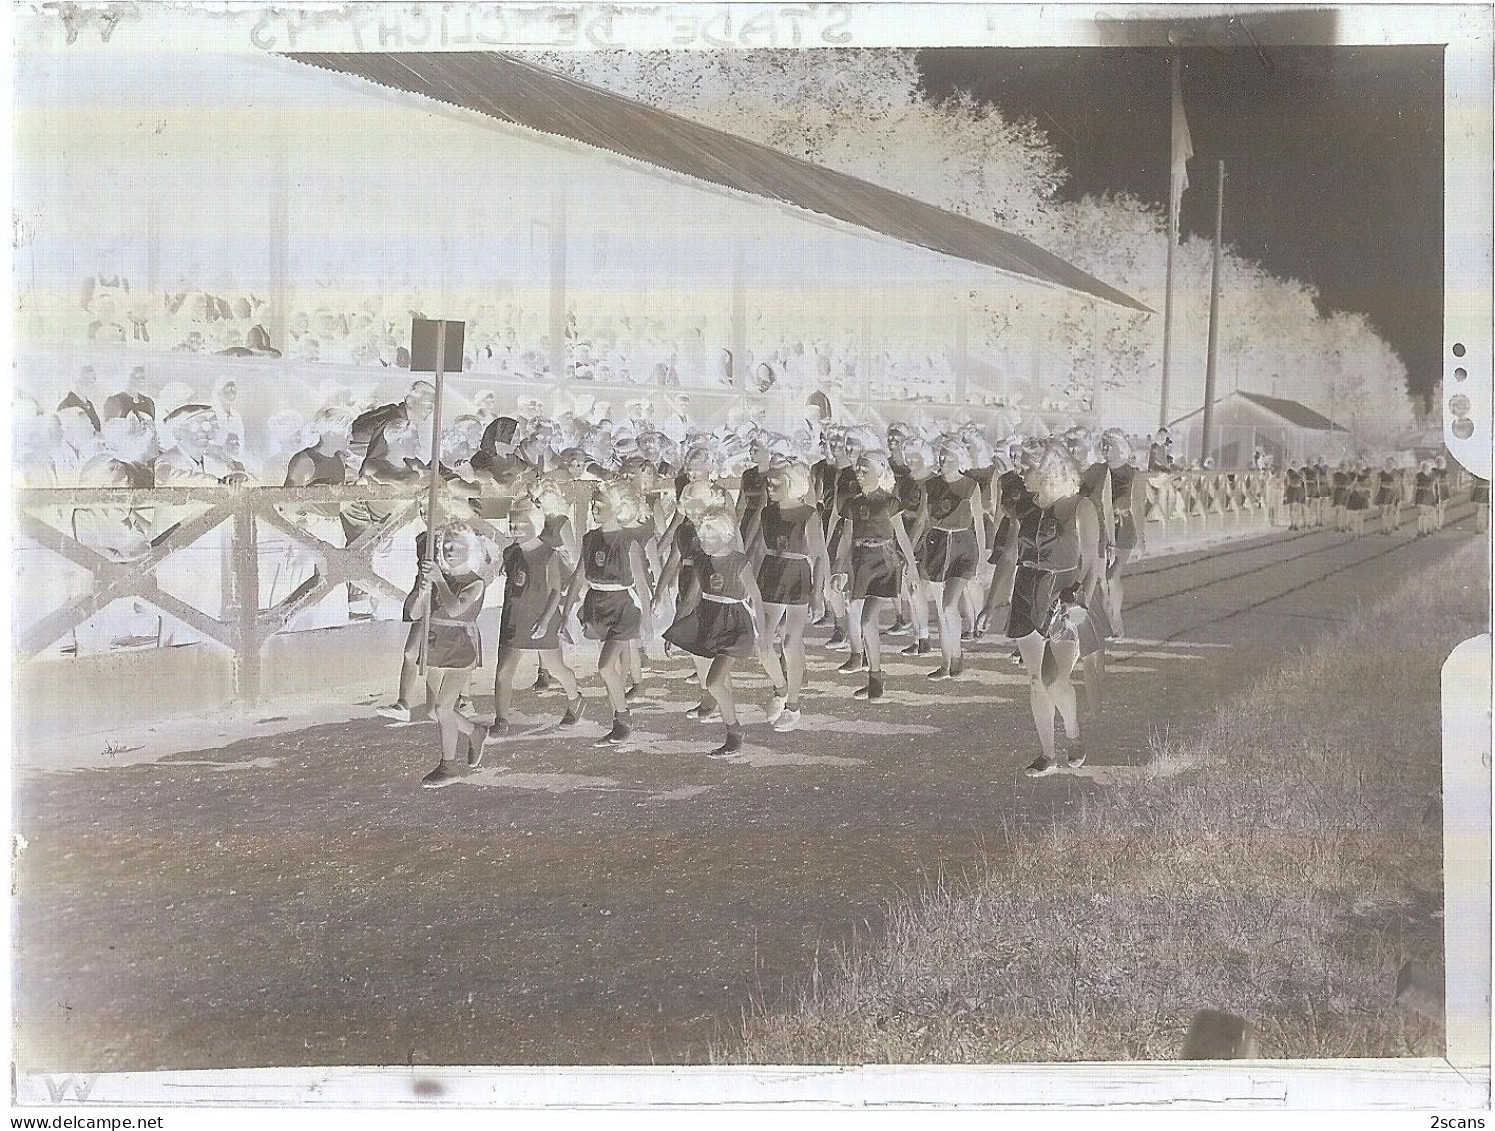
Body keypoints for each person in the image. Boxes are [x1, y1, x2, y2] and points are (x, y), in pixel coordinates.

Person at [982, 439, 1105, 777]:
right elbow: (1009, 556)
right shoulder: (1023, 506)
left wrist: (1080, 601)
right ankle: (1047, 754)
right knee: (1037, 681)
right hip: (1026, 593)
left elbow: (1091, 564)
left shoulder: (1081, 507)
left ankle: (1074, 733)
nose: (1020, 474)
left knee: (1054, 678)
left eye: (1027, 468)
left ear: (1048, 470)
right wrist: (990, 602)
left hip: (1064, 597)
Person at [659, 509, 765, 757]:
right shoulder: (700, 561)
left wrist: (765, 636)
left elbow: (757, 599)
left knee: (714, 682)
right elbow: (690, 599)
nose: (703, 543)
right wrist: (674, 631)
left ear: (725, 537)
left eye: (709, 538)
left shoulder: (740, 562)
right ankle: (732, 733)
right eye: (701, 538)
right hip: (709, 622)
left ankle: (735, 730)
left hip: (734, 625)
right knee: (721, 682)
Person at [562, 479, 654, 747]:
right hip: (597, 604)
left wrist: (647, 619)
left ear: (618, 508)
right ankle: (619, 717)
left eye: (600, 506)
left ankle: (623, 718)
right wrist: (566, 611)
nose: (594, 509)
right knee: (611, 668)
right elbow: (579, 575)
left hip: (623, 607)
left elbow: (641, 583)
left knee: (604, 666)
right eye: (593, 505)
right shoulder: (590, 539)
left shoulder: (629, 542)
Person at [488, 498, 586, 745]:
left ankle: (575, 698)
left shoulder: (548, 554)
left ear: (535, 523)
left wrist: (544, 621)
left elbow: (555, 591)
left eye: (521, 525)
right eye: (511, 526)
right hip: (513, 618)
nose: (515, 531)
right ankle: (501, 719)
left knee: (555, 667)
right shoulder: (510, 553)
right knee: (503, 671)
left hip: (542, 617)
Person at [828, 450, 921, 702]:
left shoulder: (890, 502)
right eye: (857, 468)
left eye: (864, 468)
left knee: (867, 620)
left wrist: (911, 567)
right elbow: (846, 539)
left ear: (880, 471)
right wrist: (838, 569)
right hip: (860, 563)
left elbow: (901, 536)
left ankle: (875, 678)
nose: (859, 472)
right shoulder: (852, 503)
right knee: (859, 616)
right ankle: (872, 674)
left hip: (884, 562)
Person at [407, 524, 494, 789]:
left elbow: (456, 609)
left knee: (444, 707)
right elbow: (413, 614)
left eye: (456, 546)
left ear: (471, 549)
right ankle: (475, 732)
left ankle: (448, 766)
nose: (450, 550)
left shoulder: (474, 582)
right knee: (434, 711)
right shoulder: (436, 578)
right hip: (435, 642)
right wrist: (422, 591)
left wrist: (439, 581)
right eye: (446, 546)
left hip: (460, 645)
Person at [748, 460, 831, 733]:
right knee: (762, 644)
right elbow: (759, 551)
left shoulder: (809, 514)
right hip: (770, 576)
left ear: (792, 484)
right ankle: (781, 689)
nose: (770, 488)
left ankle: (793, 706)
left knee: (790, 641)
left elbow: (819, 556)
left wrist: (819, 594)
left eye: (776, 484)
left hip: (797, 577)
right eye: (768, 483)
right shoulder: (767, 514)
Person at [919, 436, 985, 680]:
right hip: (936, 547)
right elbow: (924, 521)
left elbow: (978, 523)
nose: (943, 459)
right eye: (941, 455)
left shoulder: (970, 485)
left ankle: (957, 655)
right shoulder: (931, 485)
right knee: (941, 609)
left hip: (963, 548)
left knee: (949, 606)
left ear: (960, 458)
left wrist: (981, 560)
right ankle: (945, 663)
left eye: (948, 455)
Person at [1099, 428, 1146, 638]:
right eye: (1104, 445)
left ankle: (1115, 616)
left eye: (1111, 445)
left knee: (1112, 576)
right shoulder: (1098, 471)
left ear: (1121, 448)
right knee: (1100, 577)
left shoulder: (1133, 474)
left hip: (1123, 528)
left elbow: (1138, 508)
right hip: (1101, 528)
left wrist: (1141, 540)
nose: (1107, 449)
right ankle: (1102, 620)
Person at [1375, 458, 1401, 535]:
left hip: (1392, 494)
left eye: (1390, 463)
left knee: (1390, 512)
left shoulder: (1395, 473)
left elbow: (1397, 485)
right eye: (1387, 463)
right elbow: (1377, 485)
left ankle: (1388, 528)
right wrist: (1376, 495)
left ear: (1392, 464)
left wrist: (1398, 495)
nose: (1389, 465)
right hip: (1383, 494)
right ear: (1385, 464)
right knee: (1383, 513)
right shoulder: (1381, 474)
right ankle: (1384, 528)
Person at [1413, 460, 1437, 537]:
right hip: (1420, 496)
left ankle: (1426, 530)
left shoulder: (1432, 476)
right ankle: (1421, 530)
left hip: (1429, 496)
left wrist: (1435, 497)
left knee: (1427, 514)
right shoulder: (1418, 475)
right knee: (1421, 514)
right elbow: (1415, 486)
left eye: (1427, 467)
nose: (1425, 468)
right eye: (1424, 467)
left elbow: (1434, 487)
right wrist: (1413, 497)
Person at [1283, 459, 1307, 531]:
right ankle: (1292, 523)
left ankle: (1296, 524)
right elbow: (1286, 482)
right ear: (1292, 464)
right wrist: (1285, 493)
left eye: (1297, 464)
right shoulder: (1289, 472)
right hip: (1291, 490)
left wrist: (1305, 493)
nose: (1295, 465)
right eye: (1294, 464)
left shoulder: (1301, 472)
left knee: (1297, 508)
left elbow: (1304, 483)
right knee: (1291, 508)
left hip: (1299, 490)